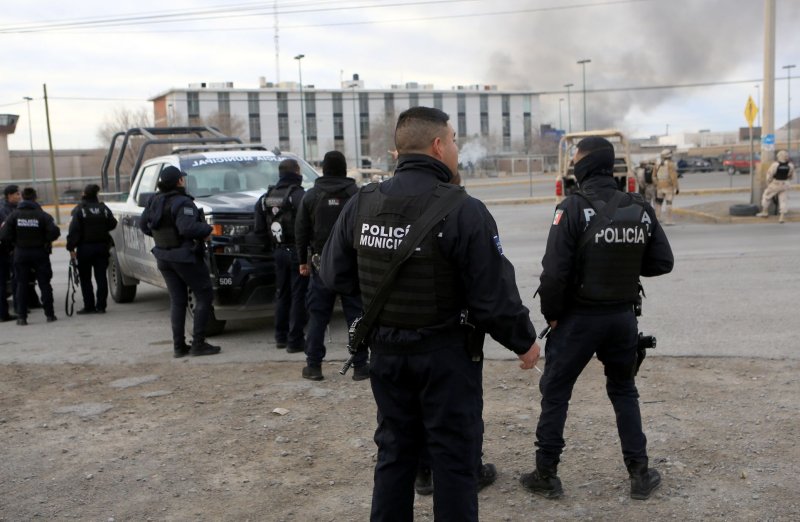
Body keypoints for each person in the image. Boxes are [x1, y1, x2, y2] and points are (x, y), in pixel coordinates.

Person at [320, 106, 540, 521]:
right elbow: (492, 296)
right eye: (454, 139)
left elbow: (333, 273)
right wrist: (524, 342)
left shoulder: (361, 203)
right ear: (438, 146)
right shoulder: (464, 209)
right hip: (445, 357)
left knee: (395, 454)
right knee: (454, 460)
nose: (456, 148)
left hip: (385, 352)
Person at [523, 136, 674, 501]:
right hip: (622, 318)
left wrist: (553, 316)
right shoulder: (639, 207)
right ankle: (639, 474)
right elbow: (661, 262)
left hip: (578, 320)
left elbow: (554, 275)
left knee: (556, 393)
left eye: (576, 159)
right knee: (624, 391)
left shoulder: (572, 208)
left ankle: (546, 473)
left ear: (585, 165)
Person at [295, 150, 367, 381]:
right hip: (352, 265)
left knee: (318, 317)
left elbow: (301, 232)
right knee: (356, 317)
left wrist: (302, 262)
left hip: (321, 265)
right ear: (345, 169)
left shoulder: (311, 195)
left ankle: (314, 366)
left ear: (324, 169)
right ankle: (360, 366)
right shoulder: (357, 195)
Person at [140, 166, 220, 357]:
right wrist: (207, 229)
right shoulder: (182, 202)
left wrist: (163, 237)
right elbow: (187, 228)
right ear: (179, 182)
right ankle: (198, 344)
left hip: (164, 257)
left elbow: (144, 226)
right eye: (182, 178)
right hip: (184, 257)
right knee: (204, 295)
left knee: (178, 301)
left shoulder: (154, 200)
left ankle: (178, 347)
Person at [255, 158, 309, 352]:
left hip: (278, 252)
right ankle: (295, 340)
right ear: (296, 172)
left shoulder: (266, 197)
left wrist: (269, 247)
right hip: (297, 251)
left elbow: (259, 229)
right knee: (298, 295)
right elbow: (308, 224)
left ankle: (280, 336)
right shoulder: (299, 195)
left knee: (282, 294)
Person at [0, 187, 60, 325]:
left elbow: (4, 235)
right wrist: (44, 240)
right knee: (45, 284)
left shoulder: (14, 215)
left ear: (23, 198)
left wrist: (14, 243)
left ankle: (22, 317)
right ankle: (50, 315)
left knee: (21, 284)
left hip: (20, 253)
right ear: (34, 198)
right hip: (39, 252)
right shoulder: (42, 215)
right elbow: (54, 233)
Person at [65, 184, 118, 314]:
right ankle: (101, 306)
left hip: (84, 248)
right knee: (101, 277)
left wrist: (71, 247)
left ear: (84, 194)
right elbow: (113, 223)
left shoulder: (80, 209)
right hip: (101, 247)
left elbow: (74, 230)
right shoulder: (103, 208)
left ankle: (89, 306)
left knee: (85, 278)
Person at [0, 184, 21, 321]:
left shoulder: (15, 208)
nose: (19, 196)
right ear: (9, 195)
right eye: (16, 194)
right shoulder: (3, 211)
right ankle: (3, 314)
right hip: (5, 250)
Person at [756, 150, 795, 223]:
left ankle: (765, 212)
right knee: (783, 200)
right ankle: (781, 217)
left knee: (766, 196)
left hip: (776, 183)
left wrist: (769, 182)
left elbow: (769, 175)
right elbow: (792, 177)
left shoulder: (775, 165)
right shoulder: (790, 165)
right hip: (785, 184)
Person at [653, 149, 679, 225]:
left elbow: (653, 176)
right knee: (669, 203)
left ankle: (657, 219)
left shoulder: (657, 164)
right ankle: (668, 220)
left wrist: (657, 184)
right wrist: (676, 187)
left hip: (659, 187)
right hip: (668, 187)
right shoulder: (670, 164)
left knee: (658, 203)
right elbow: (673, 177)